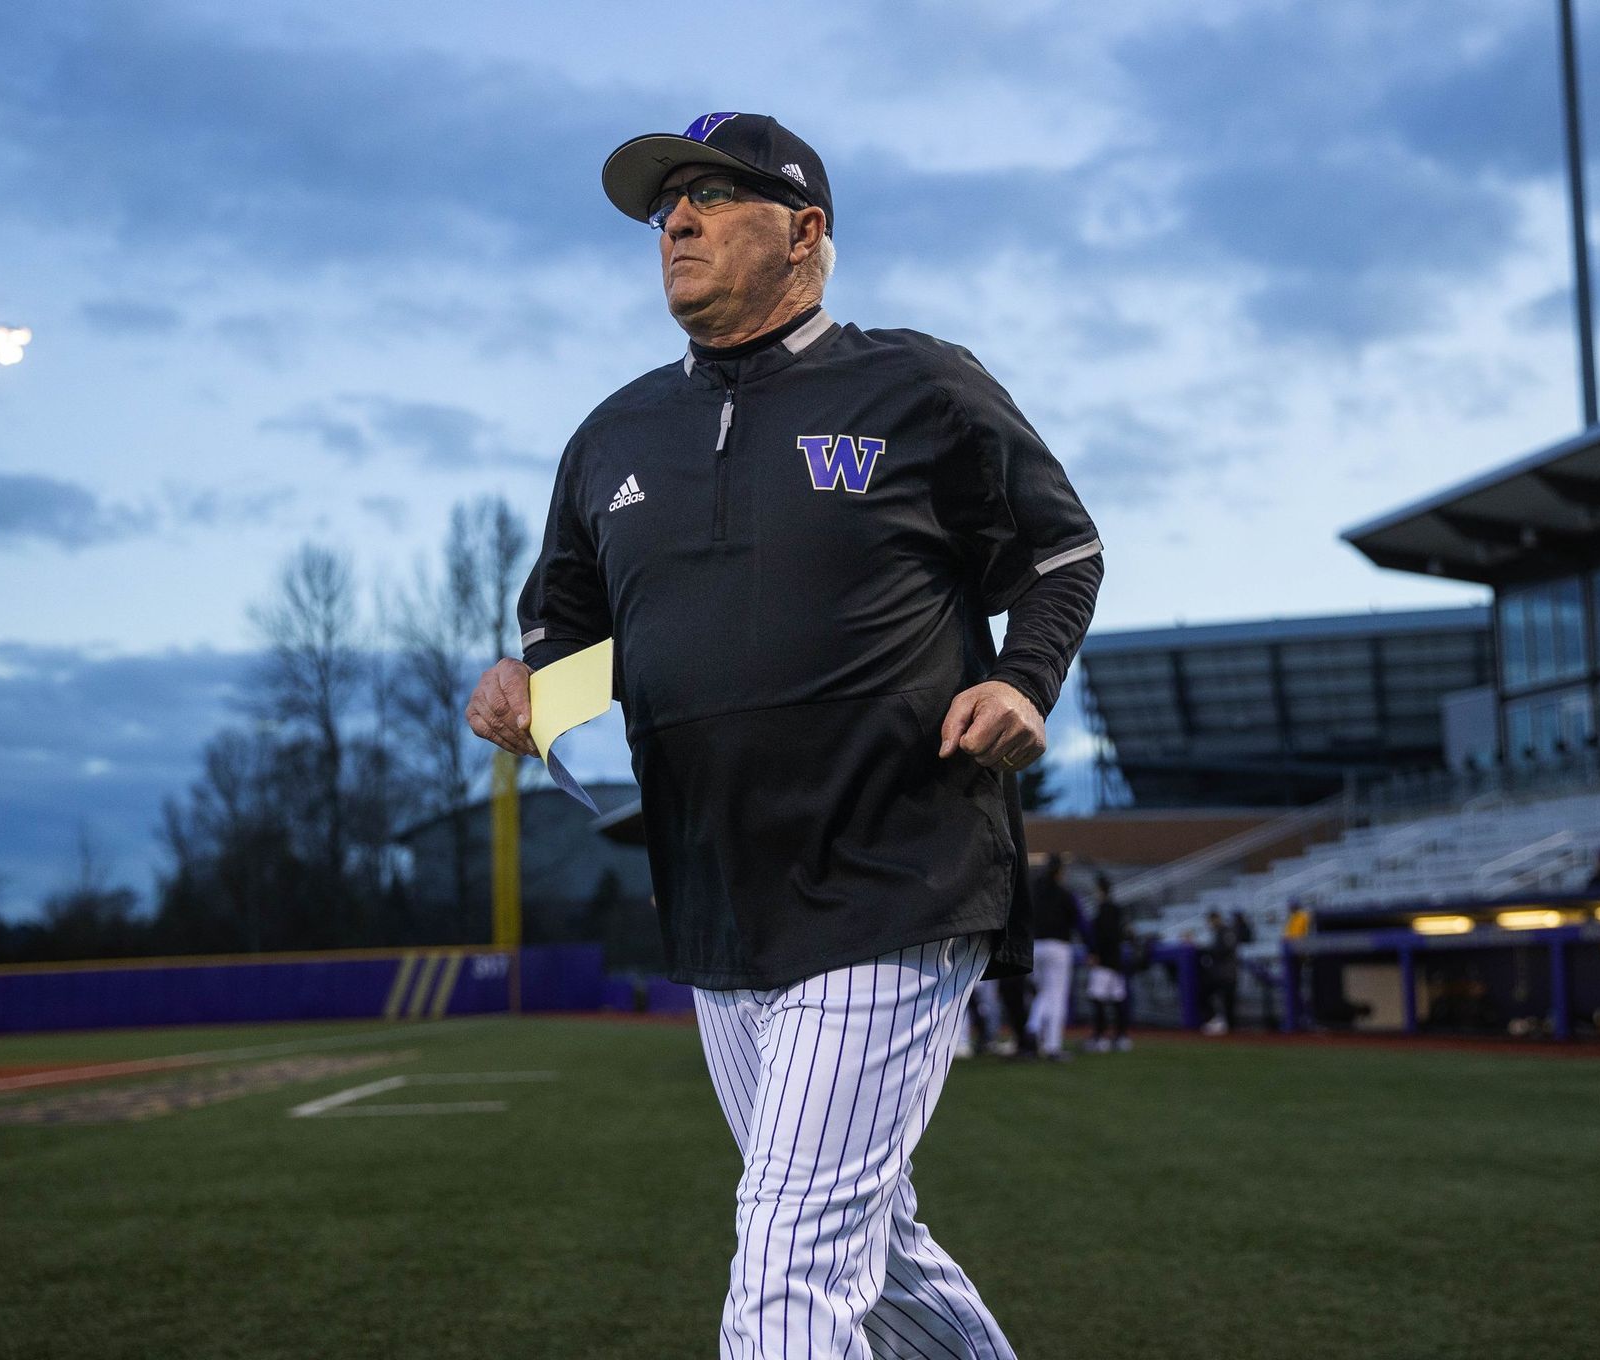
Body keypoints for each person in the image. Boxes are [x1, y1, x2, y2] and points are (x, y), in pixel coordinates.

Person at [467, 111, 1100, 1359]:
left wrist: (1027, 678)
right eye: (665, 208)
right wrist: (527, 693)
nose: (676, 224)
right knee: (875, 1243)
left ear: (805, 230)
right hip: (716, 896)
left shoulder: (919, 384)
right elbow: (576, 655)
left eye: (709, 197)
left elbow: (1062, 550)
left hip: (893, 870)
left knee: (790, 1263)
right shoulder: (610, 437)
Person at [1028, 853, 1082, 1060]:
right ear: (1060, 871)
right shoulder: (1064, 893)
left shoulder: (1035, 891)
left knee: (1043, 993)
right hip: (1058, 946)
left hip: (1036, 946)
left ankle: (1032, 1029)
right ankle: (1052, 1046)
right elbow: (1078, 920)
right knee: (1056, 996)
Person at [1084, 874, 1131, 1053]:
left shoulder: (1102, 911)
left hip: (1104, 962)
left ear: (1099, 890)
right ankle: (1122, 1037)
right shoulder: (1117, 910)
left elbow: (1101, 937)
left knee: (1098, 1000)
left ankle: (1100, 1037)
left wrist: (1094, 954)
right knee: (1118, 1001)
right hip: (1116, 962)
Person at [1201, 909, 1240, 1036]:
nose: (1210, 923)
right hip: (1219, 974)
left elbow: (1225, 950)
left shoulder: (1226, 932)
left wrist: (1208, 950)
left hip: (1227, 974)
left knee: (1228, 1002)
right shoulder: (1217, 933)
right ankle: (1219, 1023)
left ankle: (1230, 1029)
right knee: (1205, 994)